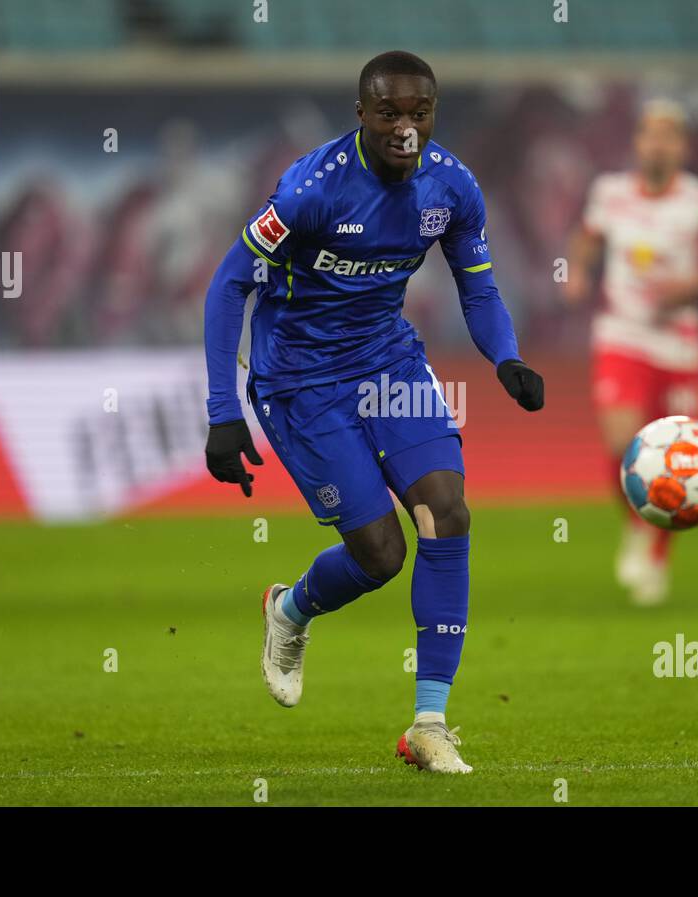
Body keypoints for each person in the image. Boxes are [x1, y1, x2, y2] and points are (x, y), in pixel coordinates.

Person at [202, 51, 544, 774]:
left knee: (447, 512)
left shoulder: (452, 186)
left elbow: (476, 288)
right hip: (300, 380)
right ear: (362, 113)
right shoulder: (309, 193)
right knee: (381, 554)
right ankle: (290, 609)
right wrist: (221, 410)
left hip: (388, 363)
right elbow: (228, 285)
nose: (405, 129)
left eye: (419, 114)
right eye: (389, 113)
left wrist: (504, 356)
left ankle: (429, 722)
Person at [565, 99, 698, 604]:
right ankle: (637, 526)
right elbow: (585, 240)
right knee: (619, 441)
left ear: (683, 148)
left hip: (678, 345)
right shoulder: (609, 193)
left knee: (674, 459)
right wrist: (579, 272)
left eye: (669, 136)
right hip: (622, 334)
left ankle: (657, 556)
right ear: (638, 143)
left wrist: (693, 283)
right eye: (650, 134)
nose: (658, 144)